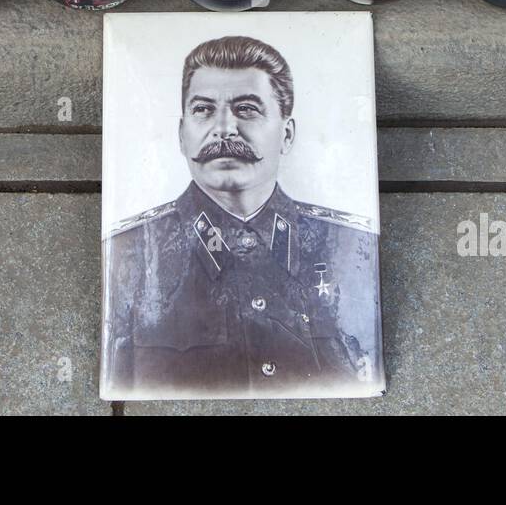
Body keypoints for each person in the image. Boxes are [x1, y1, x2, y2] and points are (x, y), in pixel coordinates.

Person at [102, 35, 383, 398]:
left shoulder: (352, 245)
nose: (224, 129)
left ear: (287, 134)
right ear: (181, 135)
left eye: (247, 109)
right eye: (203, 109)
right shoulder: (128, 255)